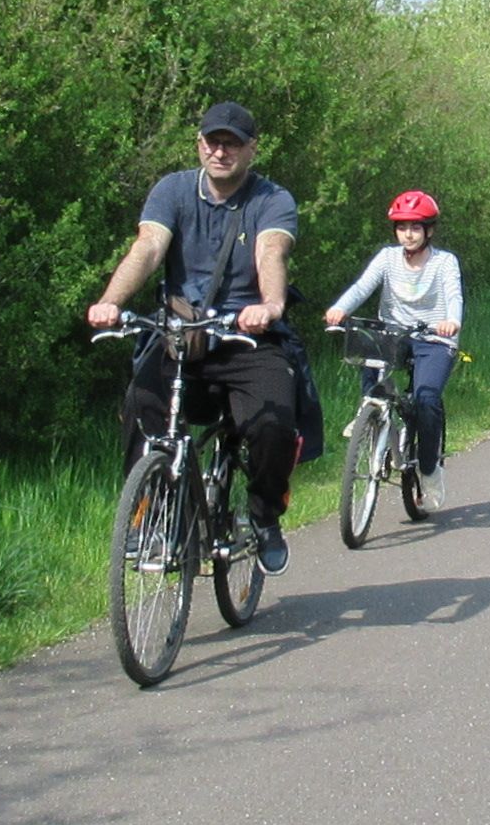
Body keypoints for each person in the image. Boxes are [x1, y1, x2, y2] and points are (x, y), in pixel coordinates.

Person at [87, 101, 299, 574]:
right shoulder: (173, 190)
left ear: (251, 149)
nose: (220, 151)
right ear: (200, 143)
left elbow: (272, 250)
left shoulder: (271, 200)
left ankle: (264, 515)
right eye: (212, 141)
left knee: (274, 424)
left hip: (247, 337)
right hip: (183, 336)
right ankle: (149, 518)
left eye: (231, 143)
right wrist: (111, 302)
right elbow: (148, 247)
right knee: (142, 403)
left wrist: (269, 305)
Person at [322, 190, 462, 506]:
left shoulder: (444, 263)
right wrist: (339, 308)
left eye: (415, 227)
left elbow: (454, 297)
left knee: (426, 400)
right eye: (401, 227)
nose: (408, 234)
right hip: (395, 334)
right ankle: (370, 410)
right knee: (367, 343)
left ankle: (429, 471)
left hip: (434, 339)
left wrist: (451, 321)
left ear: (429, 230)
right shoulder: (387, 258)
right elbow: (362, 287)